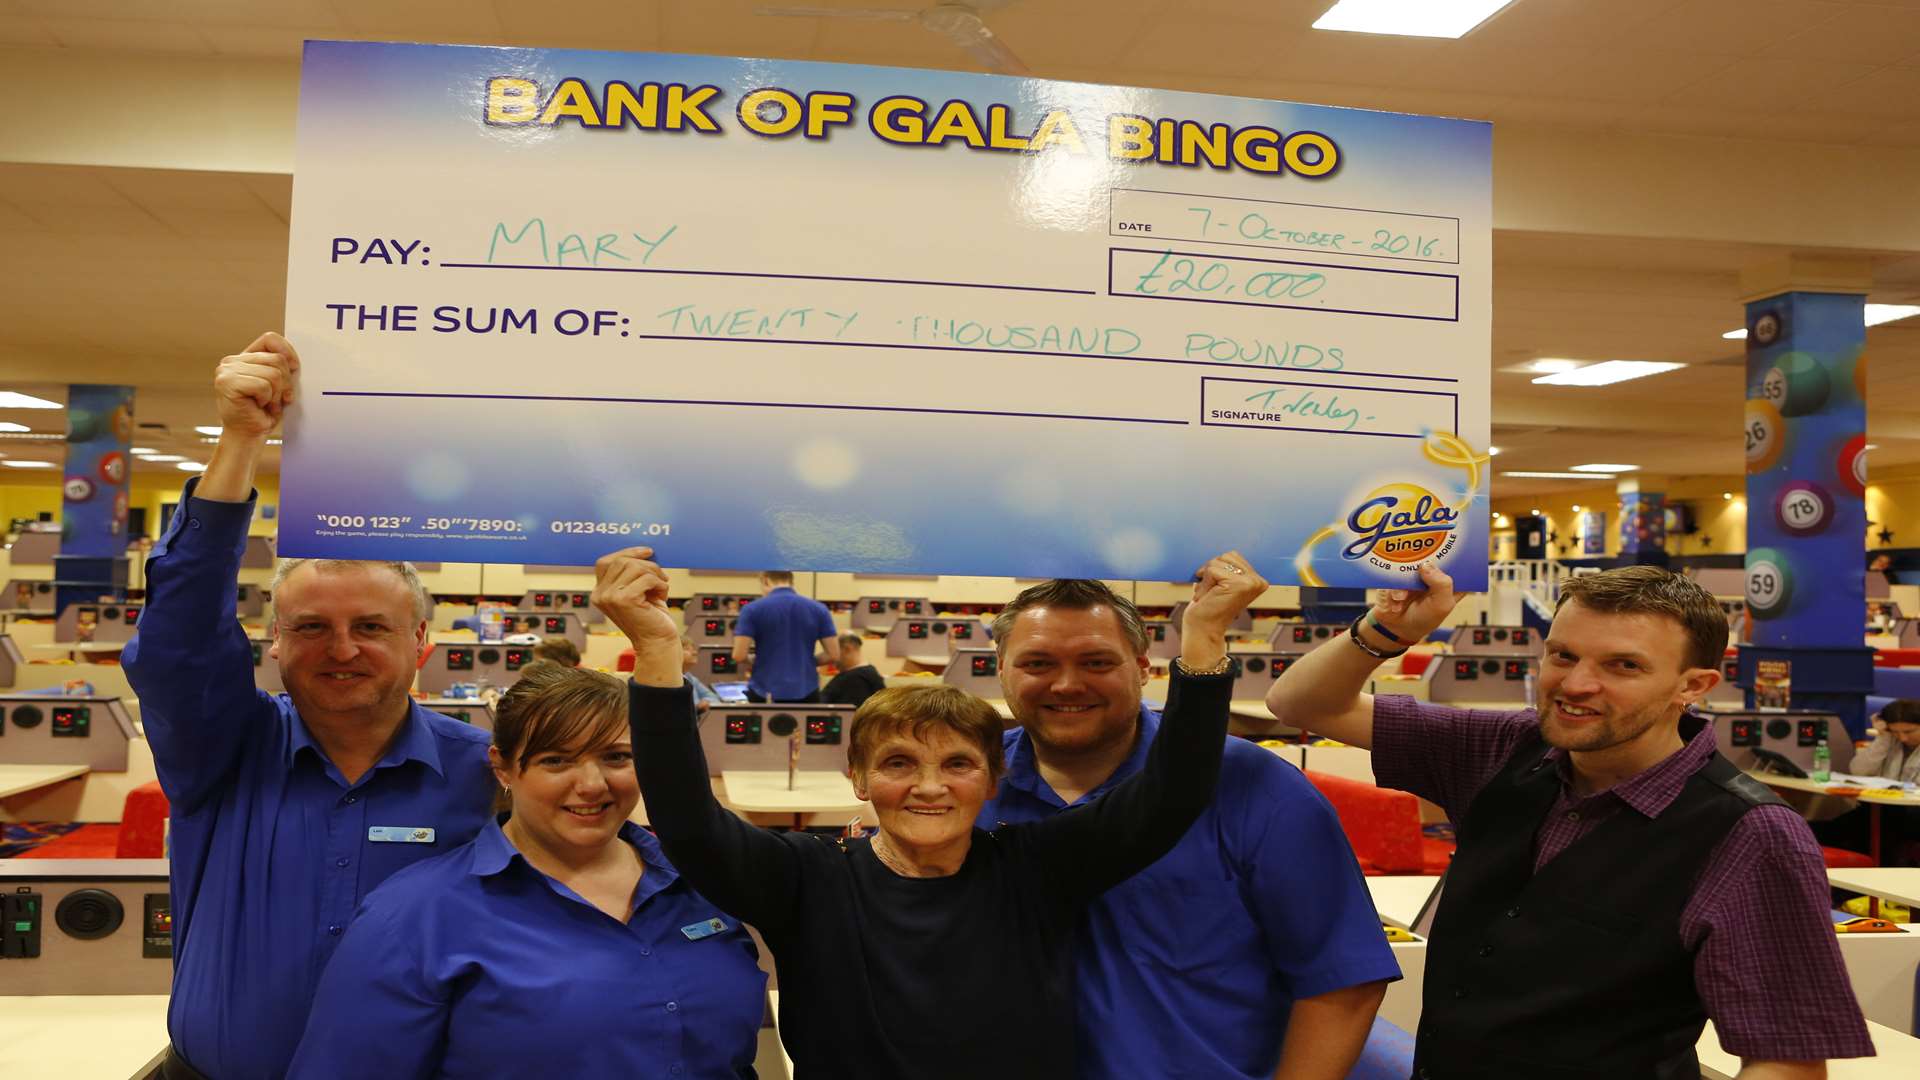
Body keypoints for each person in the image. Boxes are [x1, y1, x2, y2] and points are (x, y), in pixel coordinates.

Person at [601, 545, 1261, 1079]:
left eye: (957, 765)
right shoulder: (808, 880)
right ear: (857, 779)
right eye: (897, 765)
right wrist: (659, 653)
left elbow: (1171, 794)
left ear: (992, 777)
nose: (929, 788)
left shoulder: (1040, 868)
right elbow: (688, 822)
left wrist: (1203, 638)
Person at [1267, 563, 1872, 1079]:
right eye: (1563, 654)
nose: (1576, 684)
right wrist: (1386, 631)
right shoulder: (1506, 749)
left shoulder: (1749, 833)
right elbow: (1300, 704)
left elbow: (1786, 1058)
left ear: (1694, 686)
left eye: (1623, 666)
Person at [123, 332, 495, 1080]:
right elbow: (179, 640)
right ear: (275, 643)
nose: (343, 649)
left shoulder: (488, 768)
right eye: (313, 628)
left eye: (371, 628)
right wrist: (240, 440)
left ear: (421, 640)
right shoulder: (220, 752)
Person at [981, 578, 1398, 1080]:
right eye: (1038, 663)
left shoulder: (1256, 788)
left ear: (1142, 667)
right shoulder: (964, 792)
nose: (1067, 684)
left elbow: (1342, 981)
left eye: (1097, 662)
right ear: (1001, 669)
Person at [286, 663, 766, 1078]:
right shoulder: (415, 918)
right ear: (503, 768)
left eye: (616, 757)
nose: (592, 785)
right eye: (556, 761)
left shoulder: (703, 884)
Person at [732, 570, 837, 703]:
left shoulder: (751, 609)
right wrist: (805, 662)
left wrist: (755, 660)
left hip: (765, 693)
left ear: (765, 580)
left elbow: (739, 655)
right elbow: (833, 654)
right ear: (791, 581)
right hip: (807, 691)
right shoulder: (819, 609)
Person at [820, 631, 886, 707]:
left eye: (834, 651)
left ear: (847, 649)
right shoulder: (865, 674)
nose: (832, 658)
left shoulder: (856, 680)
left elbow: (848, 715)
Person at [682, 632, 723, 712]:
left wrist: (704, 702)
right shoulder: (670, 680)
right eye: (687, 649)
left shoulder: (690, 677)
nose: (695, 653)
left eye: (693, 649)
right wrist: (697, 707)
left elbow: (714, 698)